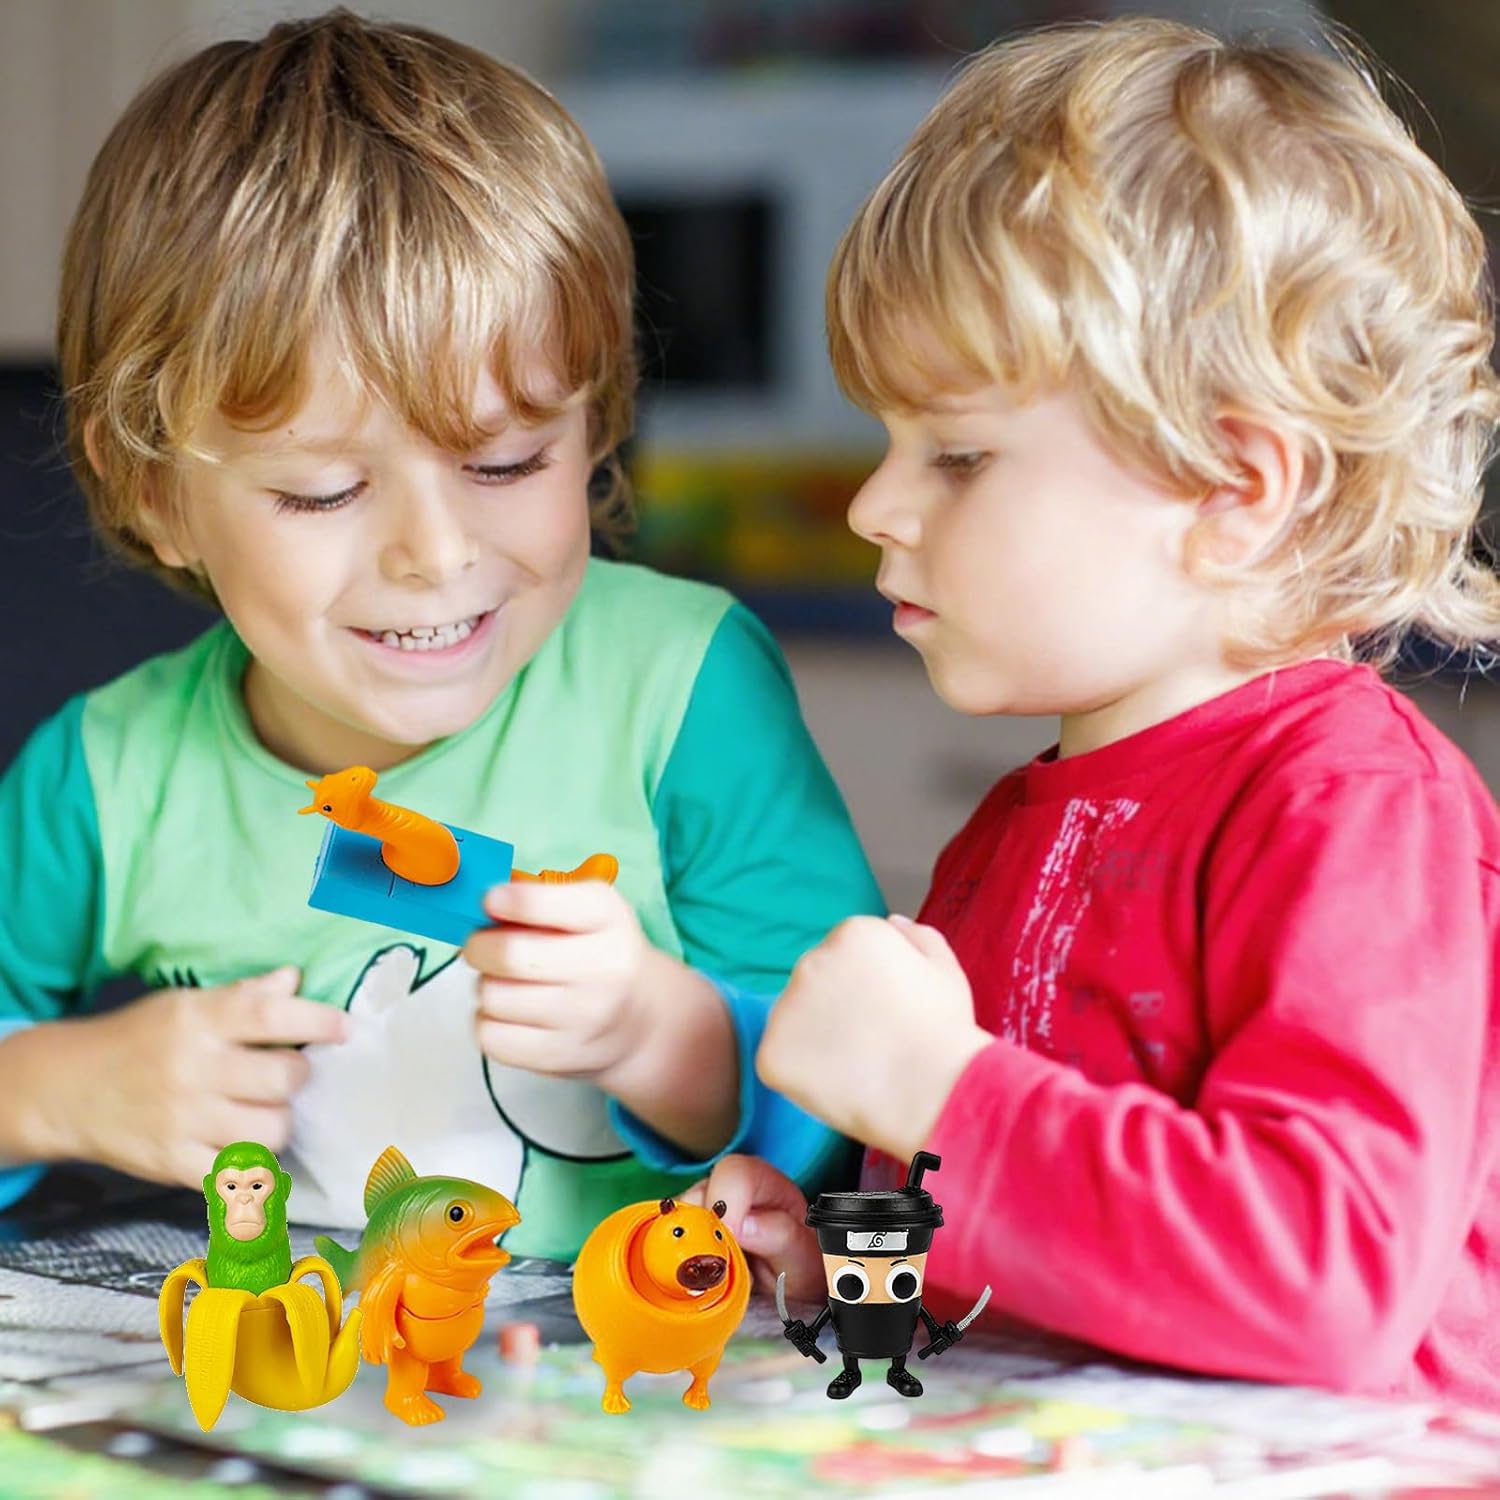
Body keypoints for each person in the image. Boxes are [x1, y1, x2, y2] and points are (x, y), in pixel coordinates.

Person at [684, 17, 1500, 1408]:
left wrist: (938, 1090)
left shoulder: (1357, 814)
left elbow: (1323, 1285)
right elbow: (1051, 1242)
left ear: (1236, 491)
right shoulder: (1018, 822)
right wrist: (848, 1264)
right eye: (890, 443)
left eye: (957, 455)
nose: (875, 506)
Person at [0, 10, 879, 1258]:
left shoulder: (682, 689)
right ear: (156, 492)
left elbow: (867, 1094)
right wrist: (54, 1090)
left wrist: (660, 1037)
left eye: (505, 462)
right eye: (323, 491)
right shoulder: (104, 777)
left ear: (595, 424)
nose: (436, 552)